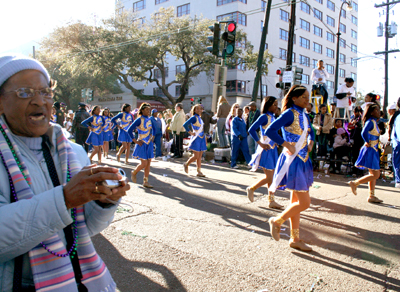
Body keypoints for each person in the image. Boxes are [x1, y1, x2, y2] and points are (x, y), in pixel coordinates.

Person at [0, 54, 129, 291]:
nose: (40, 101)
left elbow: (81, 229)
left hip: (76, 281)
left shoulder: (72, 151)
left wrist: (105, 201)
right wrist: (65, 198)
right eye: (25, 93)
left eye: (46, 92)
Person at [266, 85, 315, 252]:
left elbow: (311, 131)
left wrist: (310, 142)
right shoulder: (289, 113)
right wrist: (285, 144)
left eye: (308, 98)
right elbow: (270, 130)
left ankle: (295, 239)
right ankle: (277, 220)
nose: (307, 101)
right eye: (304, 97)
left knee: (296, 202)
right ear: (294, 98)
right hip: (294, 161)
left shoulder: (304, 115)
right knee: (305, 203)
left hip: (303, 160)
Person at [247, 96, 283, 209]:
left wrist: (276, 142)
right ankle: (251, 188)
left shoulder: (273, 117)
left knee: (271, 177)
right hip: (266, 149)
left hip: (272, 149)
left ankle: (271, 201)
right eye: (274, 105)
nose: (277, 107)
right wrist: (260, 143)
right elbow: (251, 129)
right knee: (270, 177)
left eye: (277, 105)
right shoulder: (264, 117)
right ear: (268, 105)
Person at [348, 103, 384, 203]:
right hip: (371, 149)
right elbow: (364, 132)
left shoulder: (374, 121)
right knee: (376, 174)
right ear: (371, 112)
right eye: (376, 110)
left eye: (378, 110)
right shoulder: (371, 121)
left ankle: (371, 196)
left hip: (374, 149)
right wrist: (367, 141)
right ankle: (355, 183)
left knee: (373, 174)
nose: (378, 112)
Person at [128, 103, 155, 188]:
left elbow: (154, 129)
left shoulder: (150, 119)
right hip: (142, 143)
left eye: (149, 110)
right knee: (144, 163)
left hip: (149, 143)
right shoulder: (139, 119)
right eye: (146, 109)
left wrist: (153, 136)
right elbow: (129, 130)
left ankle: (146, 181)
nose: (148, 111)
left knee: (148, 163)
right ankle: (134, 172)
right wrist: (135, 141)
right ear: (142, 110)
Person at [183, 104, 207, 177]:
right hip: (196, 138)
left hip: (202, 137)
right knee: (196, 156)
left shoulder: (200, 118)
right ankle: (186, 164)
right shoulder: (194, 118)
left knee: (199, 156)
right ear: (194, 110)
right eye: (197, 109)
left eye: (200, 109)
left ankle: (199, 171)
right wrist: (190, 132)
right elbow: (185, 125)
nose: (199, 110)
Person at [348, 106, 363, 175]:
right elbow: (349, 128)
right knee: (353, 155)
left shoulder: (361, 119)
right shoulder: (353, 118)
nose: (354, 113)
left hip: (359, 139)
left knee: (359, 155)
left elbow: (362, 126)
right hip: (353, 138)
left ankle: (359, 171)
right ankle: (354, 169)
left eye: (356, 112)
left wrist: (357, 123)